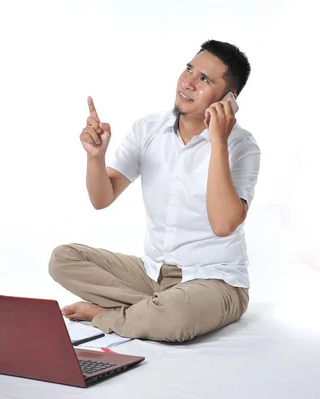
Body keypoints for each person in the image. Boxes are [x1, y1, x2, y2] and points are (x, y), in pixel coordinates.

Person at [48, 40, 261, 342]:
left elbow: (223, 224)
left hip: (216, 282)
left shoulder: (242, 147)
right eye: (189, 69)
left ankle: (106, 314)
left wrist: (217, 142)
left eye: (204, 79)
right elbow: (102, 198)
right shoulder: (148, 130)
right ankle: (150, 309)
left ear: (228, 98)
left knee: (176, 317)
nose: (187, 83)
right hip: (152, 276)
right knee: (63, 258)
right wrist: (95, 157)